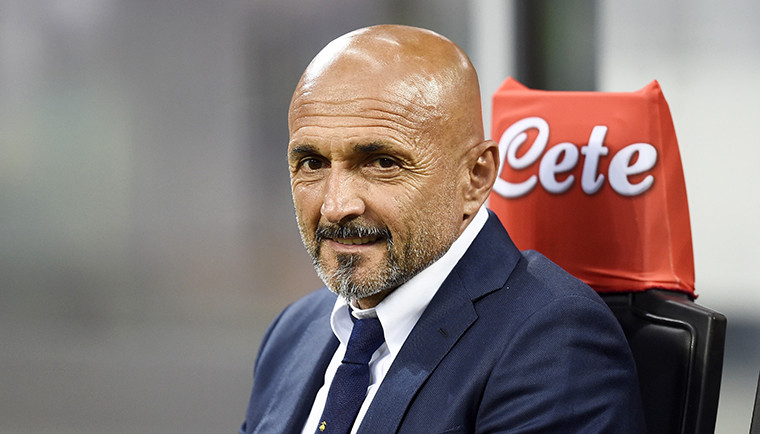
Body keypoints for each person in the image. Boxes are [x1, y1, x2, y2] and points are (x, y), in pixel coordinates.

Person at [240, 24, 645, 433]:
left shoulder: (552, 342)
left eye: (383, 163)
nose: (336, 206)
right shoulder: (294, 332)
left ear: (475, 178)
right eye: (312, 163)